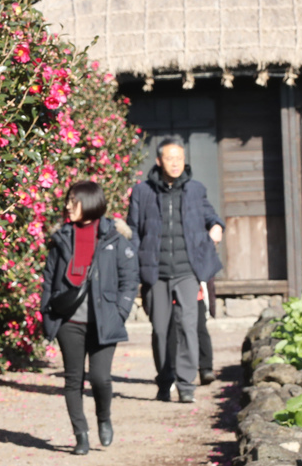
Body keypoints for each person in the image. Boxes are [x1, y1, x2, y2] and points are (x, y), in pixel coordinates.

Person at [40, 181, 139, 456]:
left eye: (74, 200)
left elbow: (129, 280)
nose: (68, 205)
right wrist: (46, 312)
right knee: (73, 380)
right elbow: (48, 279)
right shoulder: (62, 237)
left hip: (104, 321)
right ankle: (80, 435)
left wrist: (119, 312)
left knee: (100, 378)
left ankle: (104, 417)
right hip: (68, 322)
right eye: (68, 200)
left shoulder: (113, 237)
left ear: (90, 202)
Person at [127, 137, 224, 403]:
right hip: (155, 272)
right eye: (170, 158)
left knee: (188, 327)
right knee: (159, 330)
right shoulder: (142, 192)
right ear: (159, 161)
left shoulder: (195, 189)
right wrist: (134, 260)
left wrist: (216, 226)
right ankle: (165, 380)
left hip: (187, 272)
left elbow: (211, 216)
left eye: (179, 158)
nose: (175, 163)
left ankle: (186, 385)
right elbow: (134, 230)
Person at [166, 280, 215, 385]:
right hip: (172, 296)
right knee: (173, 333)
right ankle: (173, 370)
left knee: (201, 330)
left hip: (195, 294)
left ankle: (206, 368)